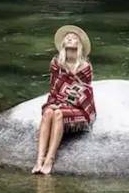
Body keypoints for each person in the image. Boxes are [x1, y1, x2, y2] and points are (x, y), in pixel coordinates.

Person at [33, 25, 95, 175]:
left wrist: (61, 104)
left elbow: (84, 93)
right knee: (48, 112)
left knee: (58, 113)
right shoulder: (56, 64)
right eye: (67, 37)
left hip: (78, 107)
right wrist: (56, 103)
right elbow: (54, 89)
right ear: (63, 44)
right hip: (57, 101)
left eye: (74, 37)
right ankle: (39, 159)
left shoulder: (85, 67)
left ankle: (50, 158)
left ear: (79, 44)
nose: (69, 38)